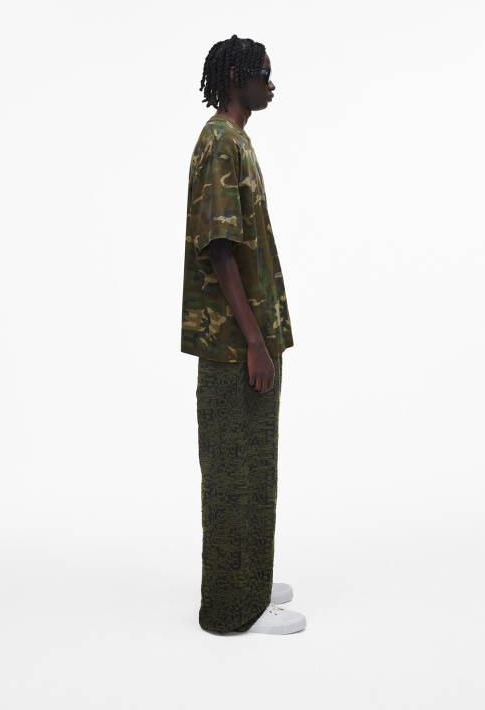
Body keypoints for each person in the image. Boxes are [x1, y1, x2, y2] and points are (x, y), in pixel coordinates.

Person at [180, 34, 306, 635]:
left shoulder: (235, 140)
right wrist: (255, 342)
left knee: (254, 465)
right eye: (263, 74)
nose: (271, 84)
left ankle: (249, 577)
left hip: (249, 338)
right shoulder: (221, 143)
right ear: (236, 78)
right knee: (235, 471)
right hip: (234, 344)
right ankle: (233, 607)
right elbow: (220, 248)